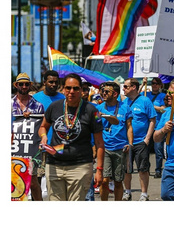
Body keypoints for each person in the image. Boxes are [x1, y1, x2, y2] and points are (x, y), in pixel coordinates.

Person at [38, 73, 105, 201]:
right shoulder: (54, 107)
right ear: (63, 89)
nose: (71, 92)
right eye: (68, 88)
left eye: (75, 88)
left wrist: (99, 170)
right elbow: (43, 127)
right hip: (54, 165)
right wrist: (43, 136)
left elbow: (99, 143)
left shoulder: (93, 111)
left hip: (80, 166)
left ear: (81, 90)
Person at [96, 82, 133, 201]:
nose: (103, 94)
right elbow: (95, 129)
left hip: (120, 148)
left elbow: (129, 127)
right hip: (104, 148)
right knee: (104, 180)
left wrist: (130, 144)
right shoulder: (99, 108)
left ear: (115, 94)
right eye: (103, 91)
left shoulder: (125, 107)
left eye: (107, 91)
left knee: (118, 181)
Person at [122, 78, 157, 201]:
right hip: (126, 142)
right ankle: (127, 191)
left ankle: (144, 194)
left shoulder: (145, 101)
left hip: (140, 141)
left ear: (133, 87)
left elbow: (152, 119)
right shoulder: (124, 102)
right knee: (127, 169)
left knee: (143, 169)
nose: (123, 89)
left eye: (126, 86)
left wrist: (147, 139)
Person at [11, 72, 44, 201]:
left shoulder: (38, 106)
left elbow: (42, 127)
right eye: (21, 84)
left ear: (30, 85)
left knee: (34, 182)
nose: (24, 86)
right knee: (13, 181)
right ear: (16, 85)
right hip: (13, 147)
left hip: (31, 148)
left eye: (26, 84)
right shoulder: (9, 104)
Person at [33, 70, 65, 196]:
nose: (53, 84)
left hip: (58, 146)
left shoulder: (63, 99)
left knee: (57, 181)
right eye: (51, 82)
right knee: (37, 179)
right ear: (44, 82)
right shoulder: (35, 99)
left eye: (56, 82)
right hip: (39, 146)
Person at [140, 77, 166, 178]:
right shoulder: (146, 94)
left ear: (160, 85)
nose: (154, 85)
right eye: (153, 83)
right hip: (147, 126)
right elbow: (135, 96)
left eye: (156, 83)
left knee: (158, 149)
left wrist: (150, 106)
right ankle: (146, 167)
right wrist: (143, 84)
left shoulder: (162, 96)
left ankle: (158, 170)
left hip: (158, 126)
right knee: (145, 149)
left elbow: (163, 109)